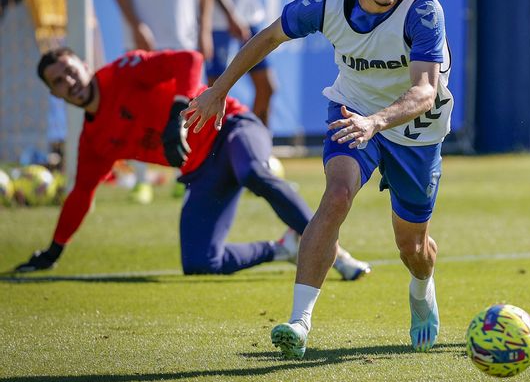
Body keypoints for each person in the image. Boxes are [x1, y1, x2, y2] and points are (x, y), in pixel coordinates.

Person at [184, 0, 453, 359]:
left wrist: (376, 123)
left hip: (416, 129)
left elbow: (424, 92)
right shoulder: (327, 2)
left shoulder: (423, 10)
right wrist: (219, 89)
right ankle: (299, 321)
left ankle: (422, 290)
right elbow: (269, 36)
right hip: (352, 111)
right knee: (337, 195)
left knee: (413, 247)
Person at [14, 47, 371, 282]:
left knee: (255, 174)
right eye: (58, 81)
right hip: (203, 169)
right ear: (54, 94)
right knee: (200, 263)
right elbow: (81, 194)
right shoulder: (92, 141)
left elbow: (190, 59)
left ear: (85, 65)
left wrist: (177, 112)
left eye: (70, 71)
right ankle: (284, 247)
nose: (70, 82)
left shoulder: (122, 72)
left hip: (229, 126)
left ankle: (335, 253)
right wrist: (53, 250)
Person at [110, 0, 214, 204]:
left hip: (185, 41)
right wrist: (137, 25)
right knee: (144, 112)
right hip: (144, 43)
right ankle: (142, 181)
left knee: (193, 111)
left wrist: (205, 29)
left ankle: (188, 176)